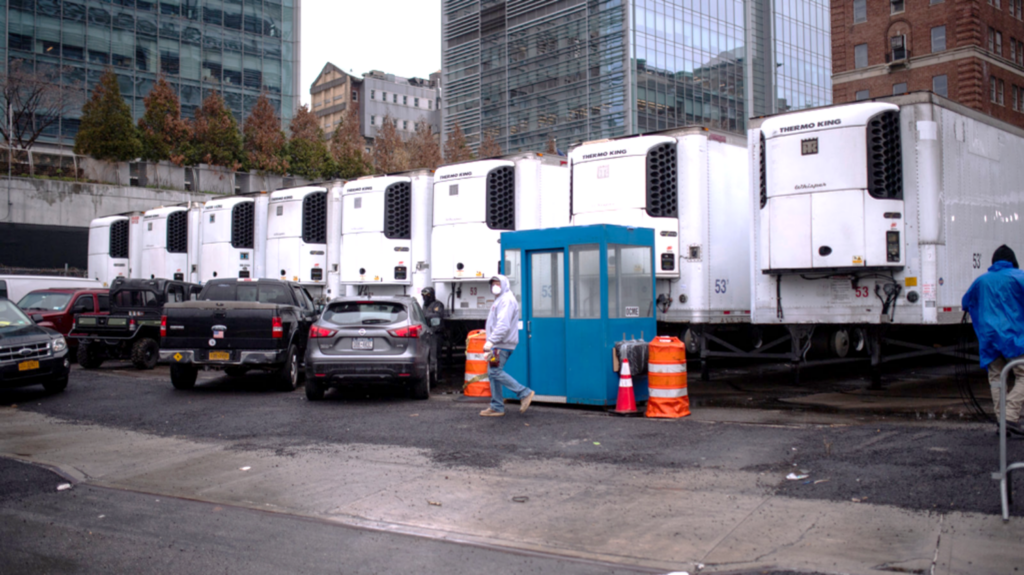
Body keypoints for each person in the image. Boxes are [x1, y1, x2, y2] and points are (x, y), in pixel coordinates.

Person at [962, 245, 1024, 431]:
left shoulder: (981, 281)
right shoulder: (1019, 277)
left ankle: (1002, 422)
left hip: (989, 340)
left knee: (997, 379)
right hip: (1015, 339)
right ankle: (1010, 416)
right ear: (1013, 261)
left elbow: (966, 303)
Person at [479, 275, 535, 417]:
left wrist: (491, 341)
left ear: (504, 284)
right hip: (499, 343)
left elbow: (503, 325)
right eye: (493, 284)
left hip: (501, 344)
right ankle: (497, 406)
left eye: (498, 283)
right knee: (493, 373)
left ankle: (524, 393)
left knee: (494, 372)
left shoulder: (506, 300)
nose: (495, 286)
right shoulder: (501, 299)